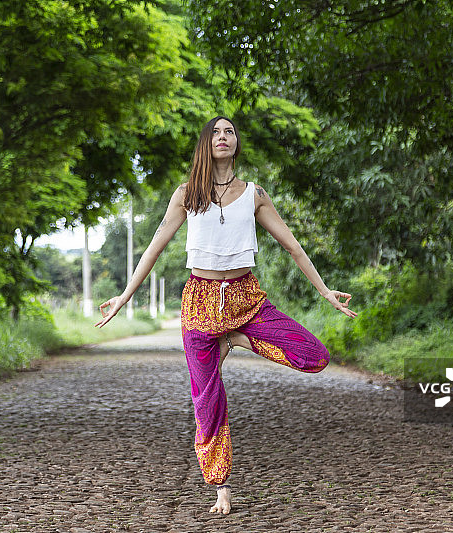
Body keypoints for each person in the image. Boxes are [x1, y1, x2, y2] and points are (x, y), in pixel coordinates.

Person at [96, 116, 356, 515]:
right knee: (207, 400)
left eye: (229, 132)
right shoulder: (187, 195)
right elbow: (154, 248)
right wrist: (124, 297)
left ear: (237, 144)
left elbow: (293, 246)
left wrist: (325, 292)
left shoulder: (254, 195)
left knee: (315, 356)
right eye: (216, 132)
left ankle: (237, 338)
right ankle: (221, 486)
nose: (223, 137)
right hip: (199, 304)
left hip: (245, 300)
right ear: (206, 143)